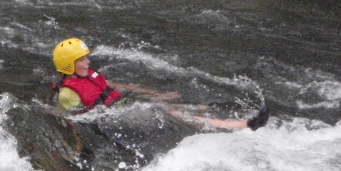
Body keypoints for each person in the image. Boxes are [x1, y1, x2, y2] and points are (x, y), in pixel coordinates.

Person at [52, 38, 270, 130]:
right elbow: (71, 120)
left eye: (85, 57)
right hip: (115, 118)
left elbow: (117, 85)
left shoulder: (87, 75)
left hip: (122, 106)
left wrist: (154, 94)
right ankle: (241, 126)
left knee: (182, 106)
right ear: (68, 65)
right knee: (170, 114)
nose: (87, 62)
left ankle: (216, 117)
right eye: (81, 59)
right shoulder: (67, 94)